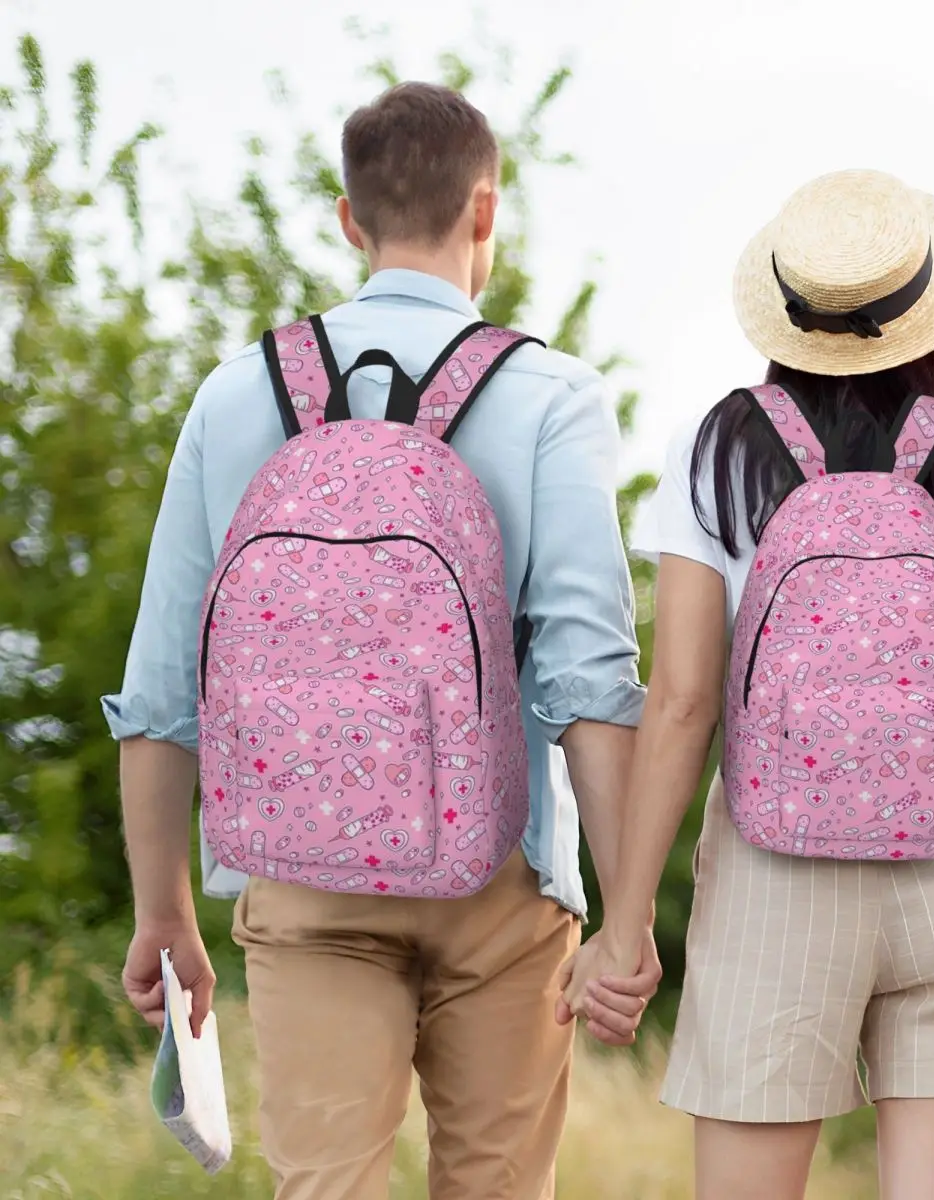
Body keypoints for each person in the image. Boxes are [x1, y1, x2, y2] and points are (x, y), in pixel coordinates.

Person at [105, 81, 661, 1200]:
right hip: (502, 874)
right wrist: (628, 915)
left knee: (325, 1186)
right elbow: (588, 678)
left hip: (302, 877)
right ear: (486, 213)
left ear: (349, 219)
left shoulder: (236, 394)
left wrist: (163, 910)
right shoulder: (550, 394)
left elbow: (164, 684)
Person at [560, 169, 934, 1200]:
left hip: (772, 884)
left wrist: (624, 928)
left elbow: (682, 705)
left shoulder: (717, 451)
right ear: (924, 315)